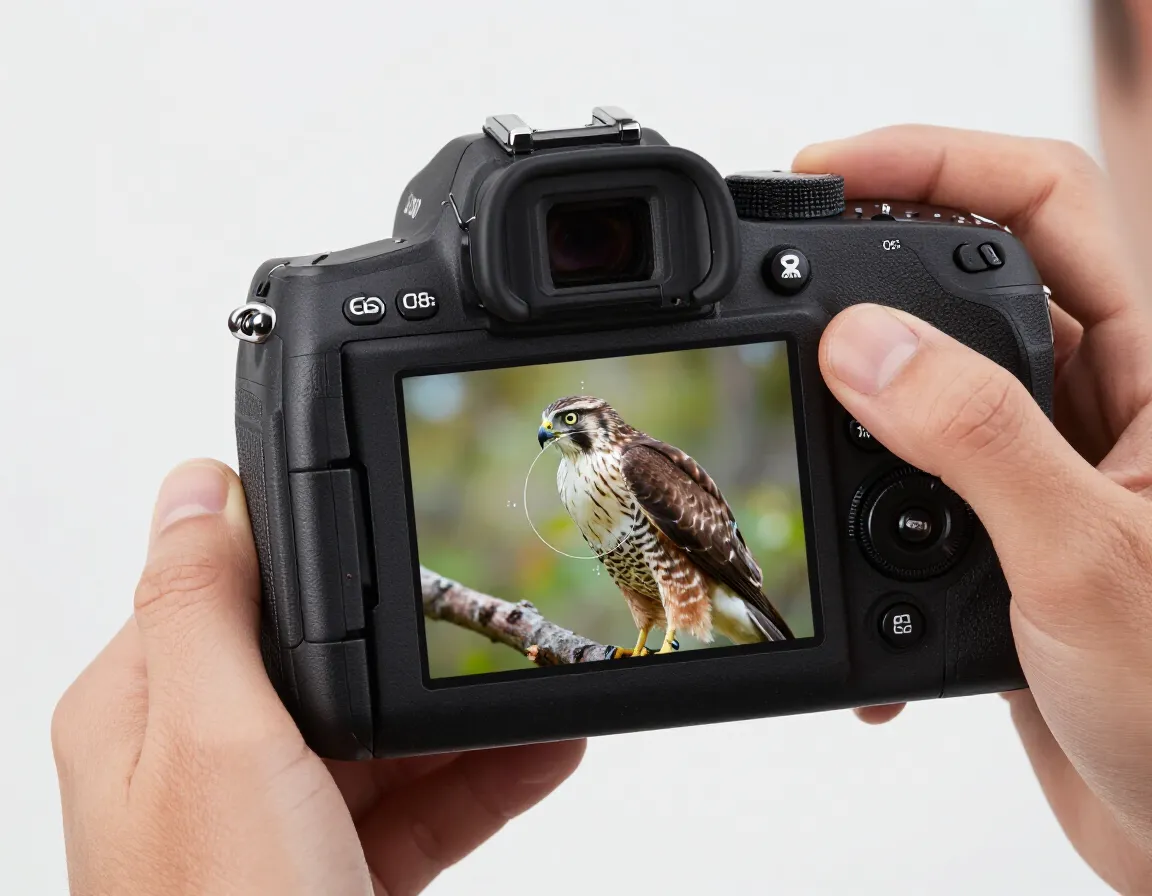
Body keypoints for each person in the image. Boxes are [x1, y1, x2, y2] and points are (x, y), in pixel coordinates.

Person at [50, 2, 1152, 892]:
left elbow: (693, 576)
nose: (558, 432)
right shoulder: (586, 477)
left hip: (716, 604)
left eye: (572, 418)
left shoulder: (638, 464)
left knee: (673, 600)